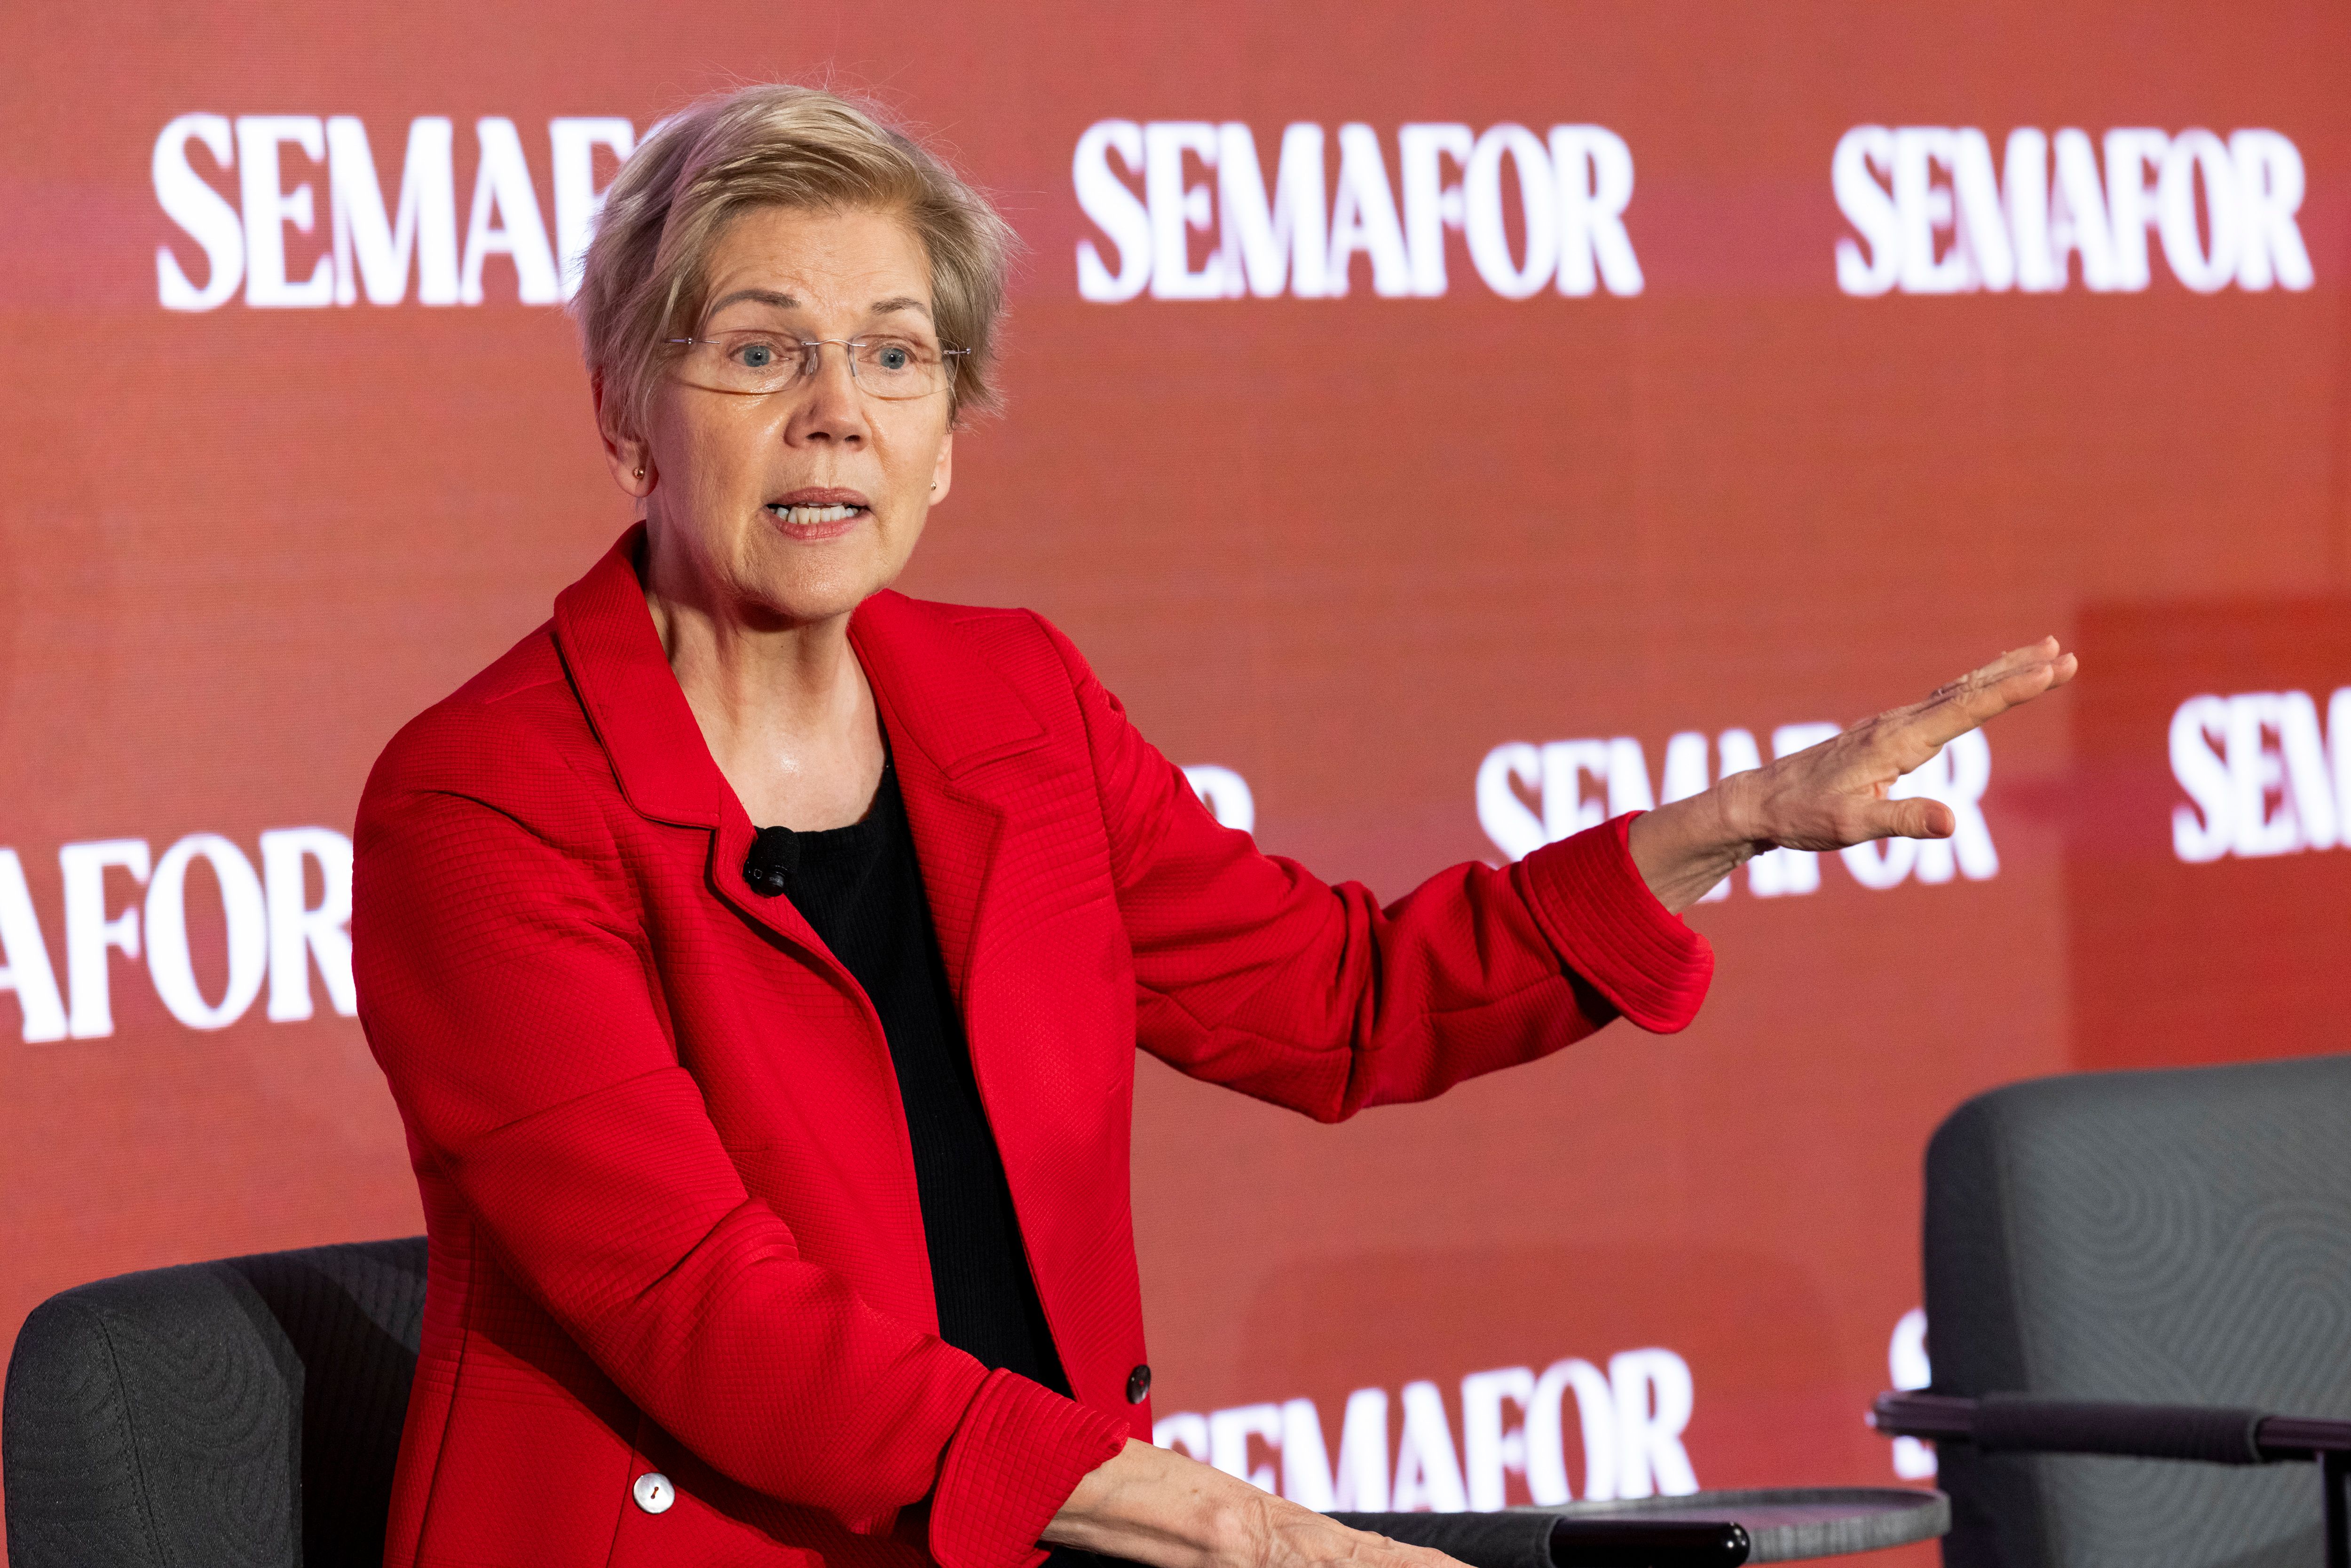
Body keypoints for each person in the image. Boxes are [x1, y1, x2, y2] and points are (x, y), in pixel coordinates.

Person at [351, 84, 2075, 1568]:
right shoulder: (484, 803)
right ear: (623, 408)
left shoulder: (1011, 703)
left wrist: (1738, 821)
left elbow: (1336, 1000)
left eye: (895, 354)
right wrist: (1219, 1525)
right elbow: (706, 1313)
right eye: (758, 350)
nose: (837, 410)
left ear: (948, 438)